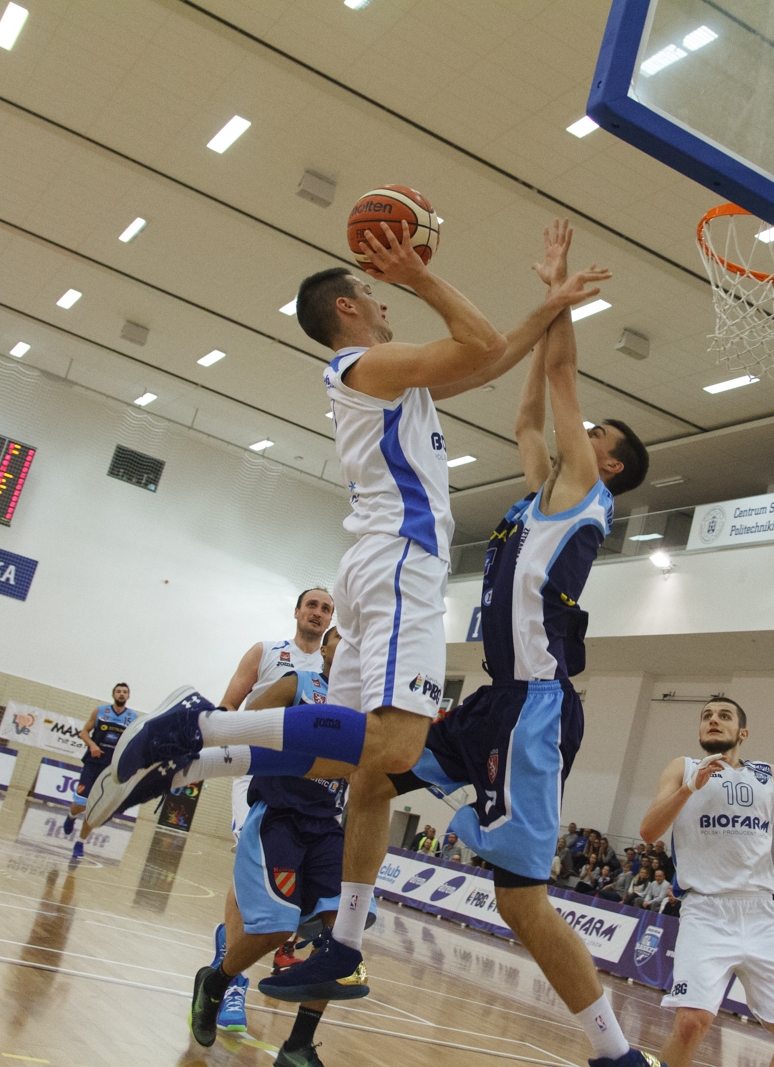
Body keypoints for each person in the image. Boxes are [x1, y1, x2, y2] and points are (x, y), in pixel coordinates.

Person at [97, 223, 658, 1067]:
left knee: (386, 787)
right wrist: (550, 304)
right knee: (387, 764)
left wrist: (553, 308)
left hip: (532, 701)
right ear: (352, 309)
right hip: (430, 608)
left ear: (605, 466)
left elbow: (554, 380)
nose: (587, 433)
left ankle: (241, 802)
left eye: (600, 437)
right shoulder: (499, 454)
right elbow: (532, 393)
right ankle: (206, 745)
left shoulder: (580, 490)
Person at [640, 696, 774, 1067]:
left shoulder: (767, 774)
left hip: (761, 913)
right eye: (706, 716)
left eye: (724, 716)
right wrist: (688, 789)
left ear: (742, 732)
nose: (713, 720)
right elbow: (648, 830)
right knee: (691, 1023)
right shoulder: (683, 768)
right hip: (706, 911)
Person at [189, 627, 348, 1059]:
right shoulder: (300, 683)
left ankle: (298, 1044)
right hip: (281, 811)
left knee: (344, 931)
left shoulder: (367, 706)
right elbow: (245, 723)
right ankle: (218, 981)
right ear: (329, 651)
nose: (354, 645)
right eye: (344, 638)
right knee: (277, 926)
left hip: (328, 820)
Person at [214, 588, 336, 843]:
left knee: (283, 860)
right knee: (251, 846)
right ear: (297, 611)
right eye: (312, 605)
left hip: (304, 778)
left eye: (325, 609)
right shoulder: (265, 651)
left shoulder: (335, 669)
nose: (317, 613)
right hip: (256, 764)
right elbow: (229, 703)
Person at [61, 683, 135, 861]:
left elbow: (132, 743)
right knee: (80, 804)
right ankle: (71, 816)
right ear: (113, 694)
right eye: (119, 691)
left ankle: (80, 843)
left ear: (128, 696)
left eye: (125, 692)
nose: (122, 694)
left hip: (110, 771)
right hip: (93, 764)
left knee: (94, 809)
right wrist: (92, 745)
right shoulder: (100, 711)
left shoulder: (133, 718)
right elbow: (84, 732)